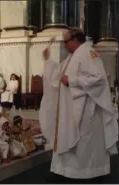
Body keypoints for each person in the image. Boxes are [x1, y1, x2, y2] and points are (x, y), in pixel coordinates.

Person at [39, 28, 118, 182]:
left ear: (75, 40)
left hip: (85, 112)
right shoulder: (73, 56)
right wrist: (48, 62)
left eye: (66, 41)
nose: (64, 45)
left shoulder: (88, 53)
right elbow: (58, 75)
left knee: (84, 144)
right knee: (72, 140)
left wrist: (72, 81)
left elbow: (99, 79)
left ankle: (87, 172)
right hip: (70, 111)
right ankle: (69, 170)